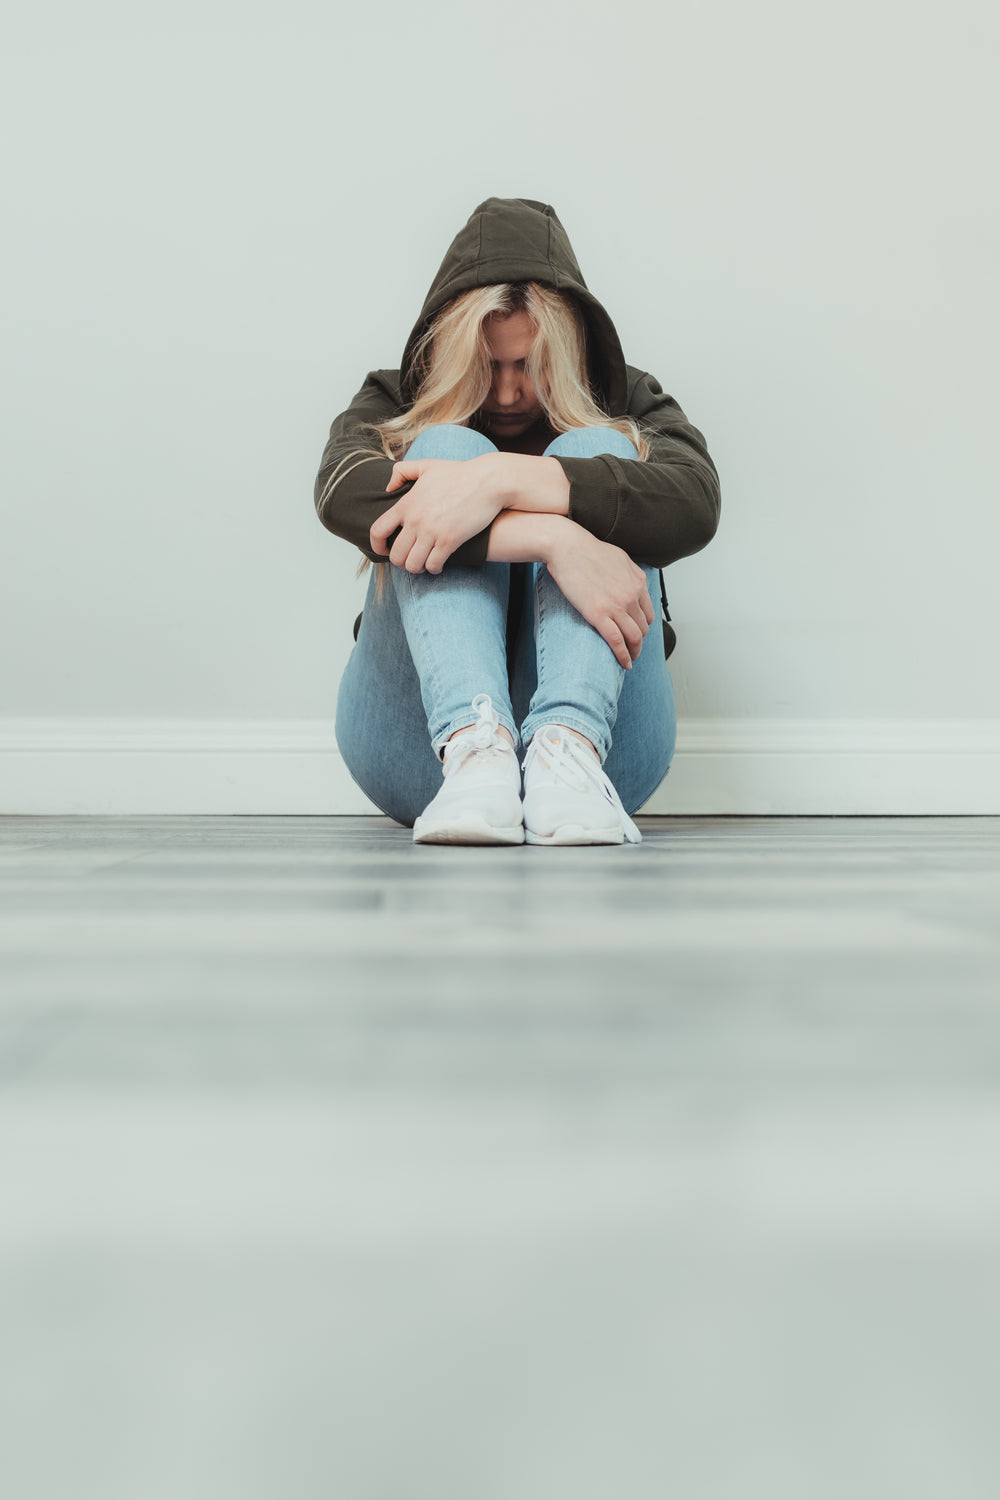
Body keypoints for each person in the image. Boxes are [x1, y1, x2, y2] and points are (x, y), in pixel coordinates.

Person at [314, 197, 720, 846]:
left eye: (527, 366)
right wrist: (553, 538)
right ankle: (477, 749)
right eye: (486, 364)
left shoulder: (623, 394)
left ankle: (568, 745)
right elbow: (339, 493)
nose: (506, 394)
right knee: (443, 447)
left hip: (608, 758)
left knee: (599, 447)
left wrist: (502, 480)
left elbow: (695, 501)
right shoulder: (398, 397)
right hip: (417, 749)